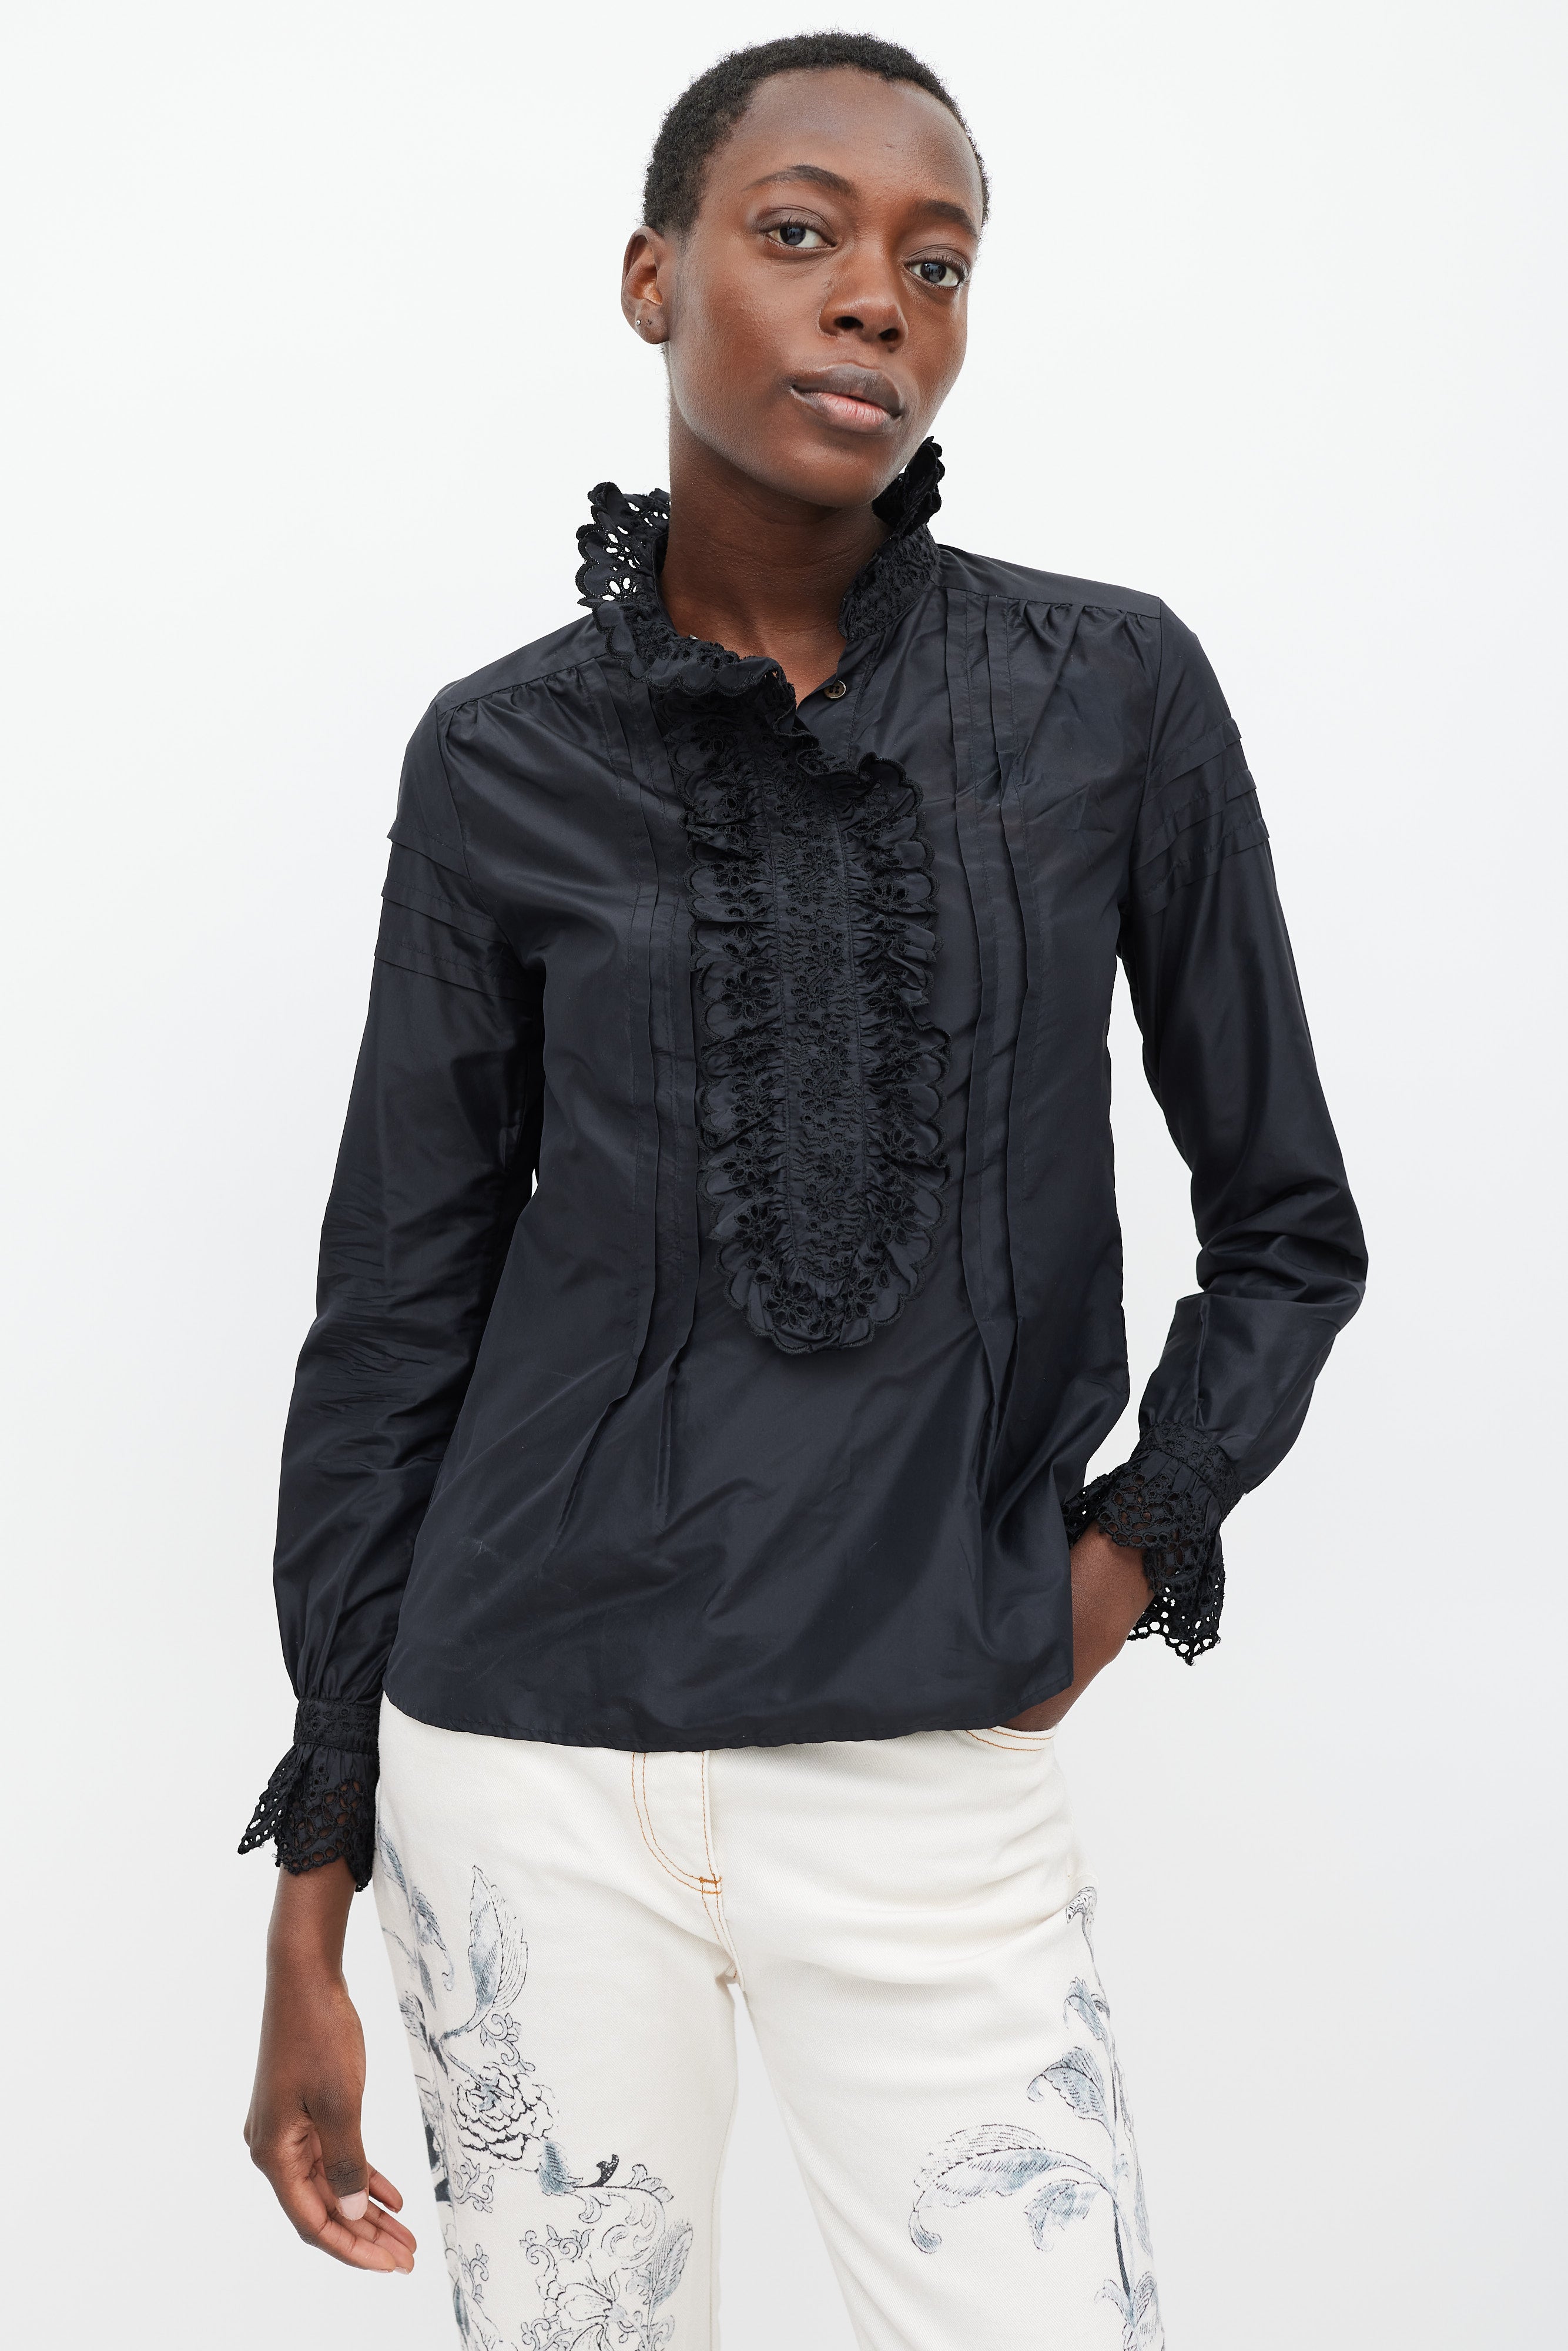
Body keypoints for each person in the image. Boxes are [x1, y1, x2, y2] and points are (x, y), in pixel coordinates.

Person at [240, 32, 1365, 2350]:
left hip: (931, 1773)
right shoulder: (500, 753)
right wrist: (315, 1882)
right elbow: (396, 1308)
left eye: (935, 265)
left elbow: (1286, 1222)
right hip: (526, 1771)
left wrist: (1118, 1561)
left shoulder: (1109, 693)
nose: (876, 299)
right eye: (800, 234)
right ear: (652, 278)